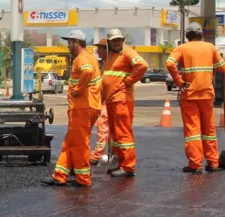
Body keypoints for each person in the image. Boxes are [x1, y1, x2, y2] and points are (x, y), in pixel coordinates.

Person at [166, 22, 225, 174]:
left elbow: (170, 63)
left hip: (190, 94)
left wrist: (179, 81)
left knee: (192, 131)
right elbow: (224, 68)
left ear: (187, 36)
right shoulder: (210, 48)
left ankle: (195, 164)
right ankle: (213, 163)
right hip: (206, 94)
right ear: (201, 34)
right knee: (209, 129)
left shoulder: (182, 48)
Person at [43, 30, 102, 188]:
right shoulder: (89, 57)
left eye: (69, 42)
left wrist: (79, 89)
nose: (67, 45)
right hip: (88, 106)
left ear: (77, 42)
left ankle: (83, 178)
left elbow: (87, 72)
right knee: (71, 142)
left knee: (80, 143)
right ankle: (60, 175)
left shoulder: (82, 58)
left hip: (82, 107)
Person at [101, 28, 148, 178]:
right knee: (115, 133)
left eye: (119, 40)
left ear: (122, 40)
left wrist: (129, 81)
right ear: (109, 42)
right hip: (112, 99)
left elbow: (142, 65)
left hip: (122, 99)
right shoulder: (111, 56)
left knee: (123, 133)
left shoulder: (127, 52)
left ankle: (128, 166)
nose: (116, 43)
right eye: (114, 40)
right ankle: (120, 163)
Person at [91, 39, 110, 166]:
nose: (97, 51)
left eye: (100, 48)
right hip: (106, 100)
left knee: (102, 126)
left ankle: (98, 154)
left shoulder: (110, 63)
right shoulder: (105, 63)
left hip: (110, 100)